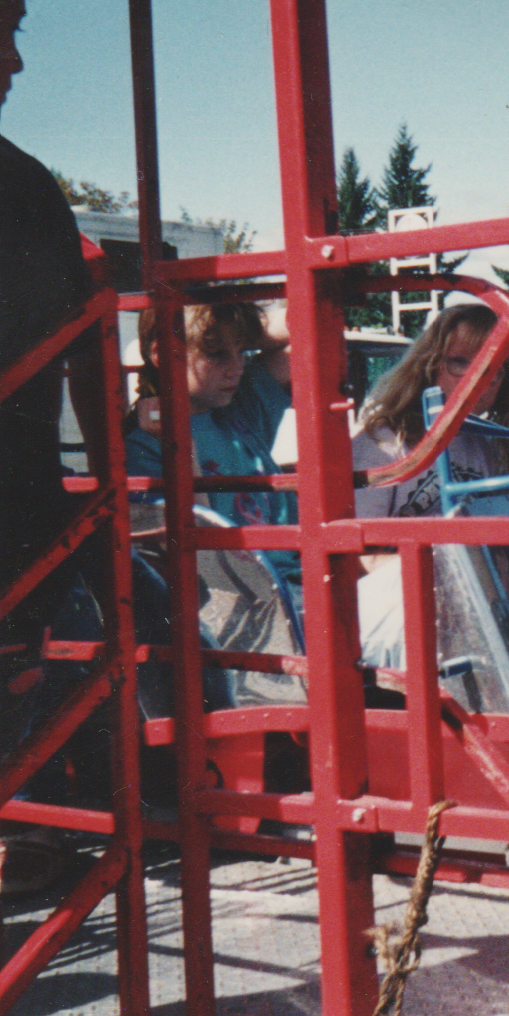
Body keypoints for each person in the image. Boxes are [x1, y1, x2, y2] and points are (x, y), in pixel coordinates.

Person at [0, 0, 111, 893]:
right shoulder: (25, 187)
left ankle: (32, 819)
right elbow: (81, 351)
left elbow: (78, 346)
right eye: (5, 31)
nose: (18, 64)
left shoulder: (26, 186)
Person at [353, 303, 509, 668]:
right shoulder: (383, 443)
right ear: (428, 364)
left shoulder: (486, 446)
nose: (478, 377)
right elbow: (360, 556)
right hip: (401, 607)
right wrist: (452, 572)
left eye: (494, 369)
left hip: (471, 604)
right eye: (460, 362)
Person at [126, 301, 300, 600]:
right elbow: (201, 550)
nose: (236, 368)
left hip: (298, 577)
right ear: (163, 354)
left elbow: (305, 320)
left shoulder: (239, 406)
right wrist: (179, 445)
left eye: (242, 352)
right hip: (250, 600)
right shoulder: (143, 445)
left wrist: (232, 330)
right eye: (217, 354)